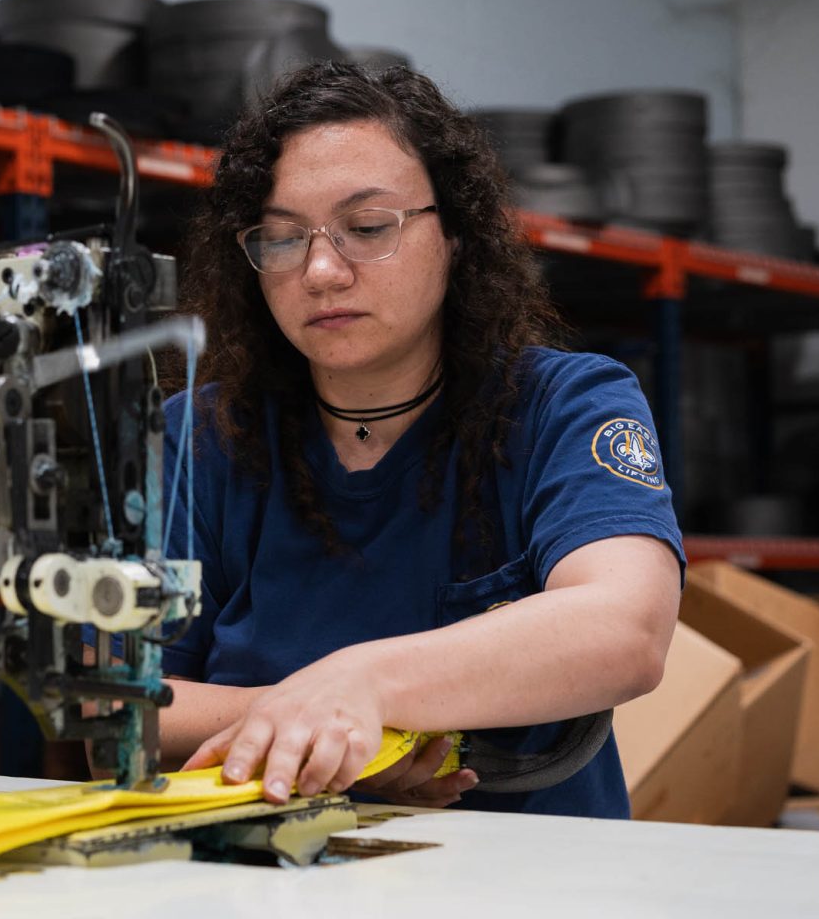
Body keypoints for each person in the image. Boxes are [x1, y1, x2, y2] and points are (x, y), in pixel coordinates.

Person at [158, 61, 683, 819]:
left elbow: (626, 629)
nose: (322, 271)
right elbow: (123, 706)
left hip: (533, 883)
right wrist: (329, 734)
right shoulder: (201, 439)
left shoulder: (566, 406)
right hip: (263, 879)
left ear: (458, 235)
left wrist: (364, 686)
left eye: (367, 228)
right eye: (280, 240)